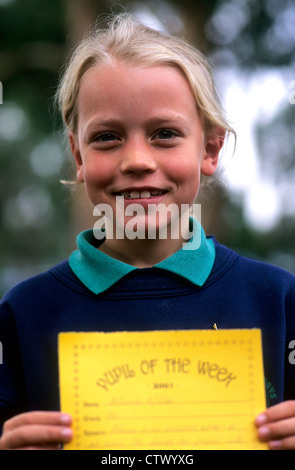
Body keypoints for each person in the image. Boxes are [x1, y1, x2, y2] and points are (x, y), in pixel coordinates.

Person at [0, 13, 295, 451]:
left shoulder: (278, 298)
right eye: (107, 137)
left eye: (164, 134)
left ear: (210, 149)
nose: (137, 159)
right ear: (78, 156)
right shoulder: (22, 313)